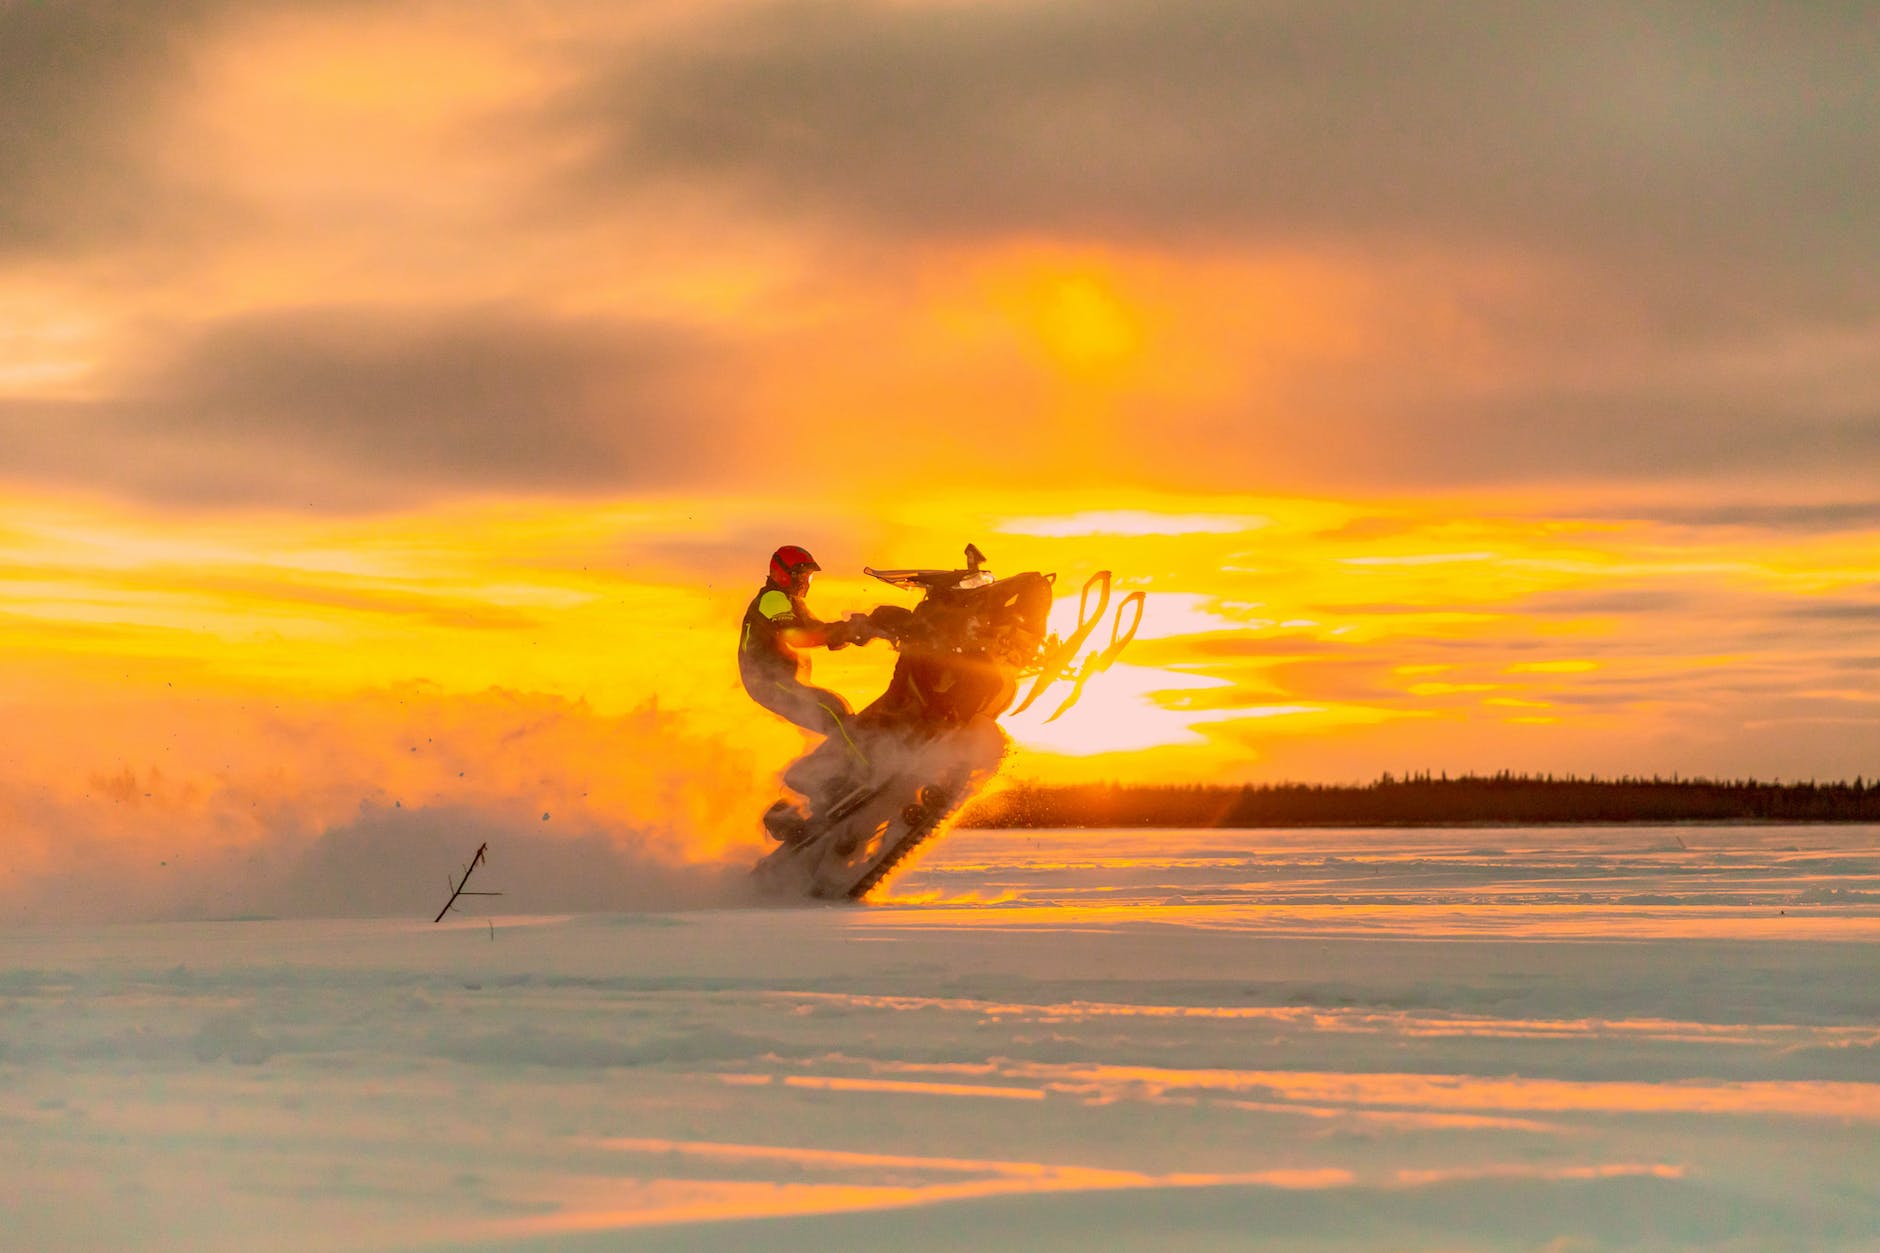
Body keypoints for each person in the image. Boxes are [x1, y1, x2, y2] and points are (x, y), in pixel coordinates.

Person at [739, 545, 875, 762]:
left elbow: (817, 629)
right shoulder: (773, 598)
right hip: (769, 682)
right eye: (800, 575)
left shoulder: (792, 601)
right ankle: (868, 766)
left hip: (782, 681)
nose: (804, 581)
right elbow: (797, 636)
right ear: (780, 574)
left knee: (837, 708)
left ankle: (836, 771)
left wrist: (852, 631)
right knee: (832, 711)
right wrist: (845, 632)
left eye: (808, 576)